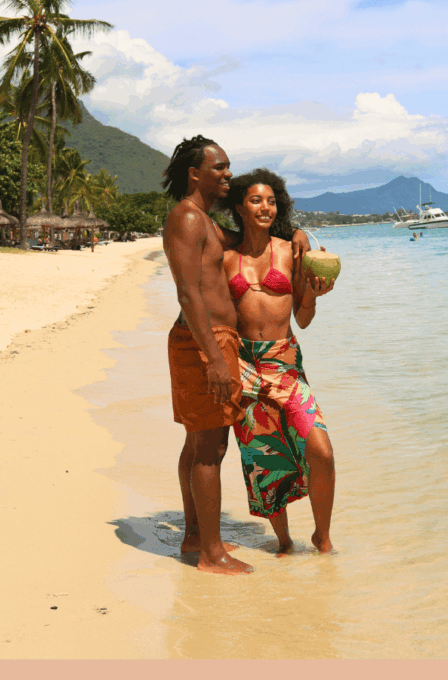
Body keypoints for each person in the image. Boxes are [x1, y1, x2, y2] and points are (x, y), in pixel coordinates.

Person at [162, 137, 310, 574]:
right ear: (196, 173)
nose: (228, 173)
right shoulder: (188, 218)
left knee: (197, 442)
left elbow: (250, 240)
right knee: (210, 447)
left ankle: (195, 536)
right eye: (220, 167)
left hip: (209, 338)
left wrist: (295, 233)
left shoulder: (204, 221)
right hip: (204, 340)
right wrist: (213, 357)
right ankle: (211, 554)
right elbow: (188, 292)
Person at [221, 168, 336, 556]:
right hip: (244, 366)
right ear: (240, 207)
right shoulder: (226, 259)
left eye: (271, 201)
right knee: (263, 461)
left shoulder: (291, 252)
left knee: (320, 448)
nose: (265, 207)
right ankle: (284, 541)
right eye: (255, 200)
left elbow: (303, 319)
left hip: (285, 363)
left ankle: (322, 536)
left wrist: (312, 296)